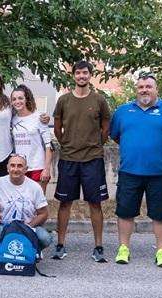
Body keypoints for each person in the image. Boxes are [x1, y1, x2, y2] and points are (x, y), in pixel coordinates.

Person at [109, 74, 162, 267]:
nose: (144, 90)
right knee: (125, 212)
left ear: (156, 89)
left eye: (148, 86)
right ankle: (124, 248)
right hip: (130, 172)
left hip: (160, 173)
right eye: (140, 87)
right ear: (136, 90)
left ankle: (161, 251)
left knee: (160, 214)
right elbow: (116, 136)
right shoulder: (122, 111)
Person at [51, 60, 111, 262]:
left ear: (90, 75)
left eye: (85, 73)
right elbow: (57, 127)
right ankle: (60, 245)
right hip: (69, 158)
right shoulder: (64, 100)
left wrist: (96, 144)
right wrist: (67, 143)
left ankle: (99, 246)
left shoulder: (99, 100)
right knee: (64, 203)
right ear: (73, 76)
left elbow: (105, 126)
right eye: (78, 73)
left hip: (93, 159)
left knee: (95, 204)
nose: (82, 76)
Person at [0, 154, 53, 253]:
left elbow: (43, 213)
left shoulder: (35, 187)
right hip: (4, 225)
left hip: (28, 225)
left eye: (20, 166)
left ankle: (33, 251)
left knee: (45, 238)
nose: (16, 169)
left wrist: (28, 226)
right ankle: (6, 253)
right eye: (12, 165)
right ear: (7, 168)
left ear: (26, 169)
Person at [10, 84, 53, 194]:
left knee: (37, 205)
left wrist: (47, 169)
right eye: (14, 99)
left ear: (26, 99)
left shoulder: (39, 118)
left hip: (37, 167)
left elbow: (49, 146)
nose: (17, 101)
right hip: (19, 168)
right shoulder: (12, 119)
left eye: (20, 98)